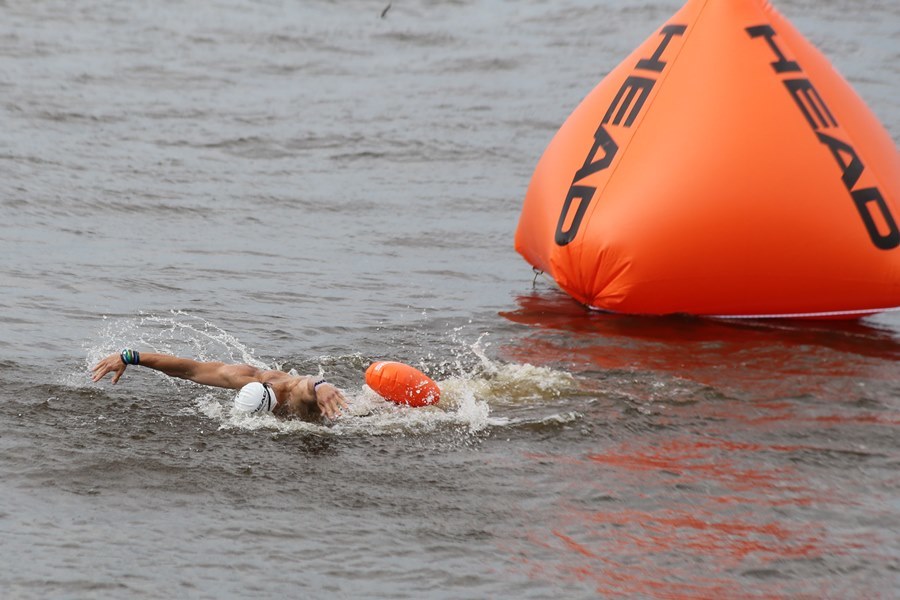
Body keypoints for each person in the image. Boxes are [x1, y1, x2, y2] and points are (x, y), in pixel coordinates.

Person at [91, 349, 349, 419]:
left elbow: (307, 383)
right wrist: (130, 357)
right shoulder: (246, 377)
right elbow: (188, 370)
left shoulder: (291, 392)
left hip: (334, 407)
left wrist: (322, 386)